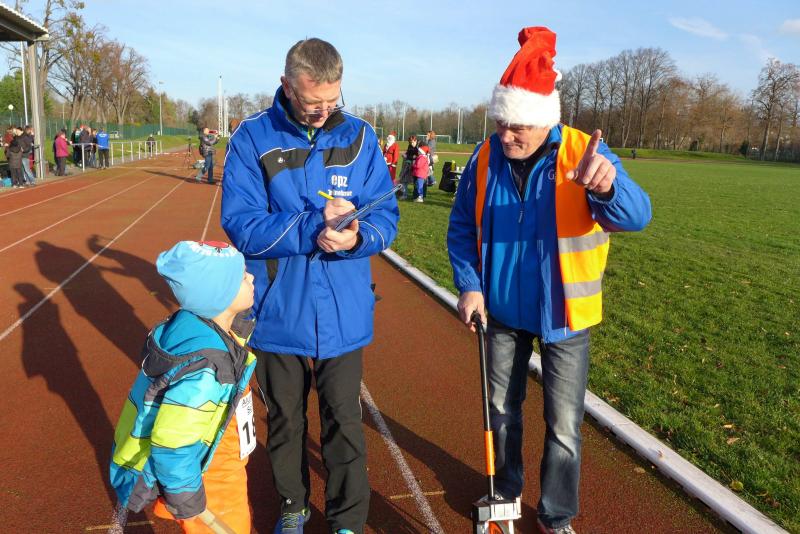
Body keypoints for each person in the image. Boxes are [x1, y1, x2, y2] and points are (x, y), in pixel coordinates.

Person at [447, 27, 652, 534]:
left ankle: (557, 515)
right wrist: (470, 284)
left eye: (517, 127)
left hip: (565, 315)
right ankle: (507, 488)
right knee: (501, 409)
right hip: (500, 311)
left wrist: (609, 186)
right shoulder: (484, 156)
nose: (506, 136)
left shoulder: (584, 152)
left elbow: (637, 216)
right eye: (500, 124)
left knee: (563, 425)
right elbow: (461, 226)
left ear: (544, 120)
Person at [221, 37, 399, 534]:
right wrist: (310, 227)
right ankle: (292, 506)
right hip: (277, 308)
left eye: (331, 101)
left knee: (344, 418)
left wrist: (359, 236)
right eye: (311, 102)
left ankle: (347, 521)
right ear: (286, 85)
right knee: (286, 419)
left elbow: (386, 215)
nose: (323, 112)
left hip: (343, 308)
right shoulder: (252, 137)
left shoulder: (360, 137)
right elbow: (241, 224)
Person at [109, 240, 258, 534]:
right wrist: (186, 496)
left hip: (218, 458)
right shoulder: (206, 369)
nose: (251, 277)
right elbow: (173, 440)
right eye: (242, 276)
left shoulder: (195, 325)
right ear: (220, 294)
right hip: (212, 476)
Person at [398, 134, 418, 200]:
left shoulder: (417, 148)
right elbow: (410, 154)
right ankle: (404, 195)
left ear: (416, 141)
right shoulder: (410, 146)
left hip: (414, 167)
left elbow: (416, 157)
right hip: (407, 165)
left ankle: (416, 196)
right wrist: (406, 154)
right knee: (404, 180)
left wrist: (407, 156)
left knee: (415, 182)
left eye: (413, 142)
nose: (411, 143)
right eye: (410, 142)